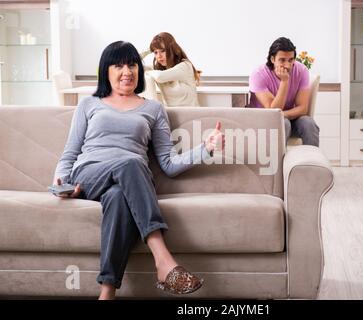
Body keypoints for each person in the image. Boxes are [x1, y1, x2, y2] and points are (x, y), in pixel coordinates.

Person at [52, 41, 224, 300]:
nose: (127, 71)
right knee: (131, 162)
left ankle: (107, 292)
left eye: (132, 64)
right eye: (118, 65)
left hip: (129, 181)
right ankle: (163, 260)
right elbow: (70, 153)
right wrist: (61, 184)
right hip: (89, 175)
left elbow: (168, 163)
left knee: (119, 198)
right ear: (105, 71)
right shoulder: (89, 105)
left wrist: (205, 148)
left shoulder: (153, 109)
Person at [248, 37, 319, 146]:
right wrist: (285, 81)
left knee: (308, 123)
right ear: (272, 59)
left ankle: (311, 161)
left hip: (289, 117)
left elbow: (302, 109)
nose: (287, 65)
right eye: (282, 60)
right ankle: (277, 163)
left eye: (291, 60)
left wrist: (282, 115)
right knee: (283, 124)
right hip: (264, 122)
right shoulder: (258, 74)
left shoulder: (301, 71)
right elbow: (273, 111)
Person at [140, 32, 200, 107]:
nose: (159, 56)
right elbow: (133, 64)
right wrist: (150, 49)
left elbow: (160, 77)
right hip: (171, 116)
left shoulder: (185, 66)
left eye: (163, 51)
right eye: (155, 52)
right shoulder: (158, 69)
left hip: (191, 116)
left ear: (172, 49)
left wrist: (148, 72)